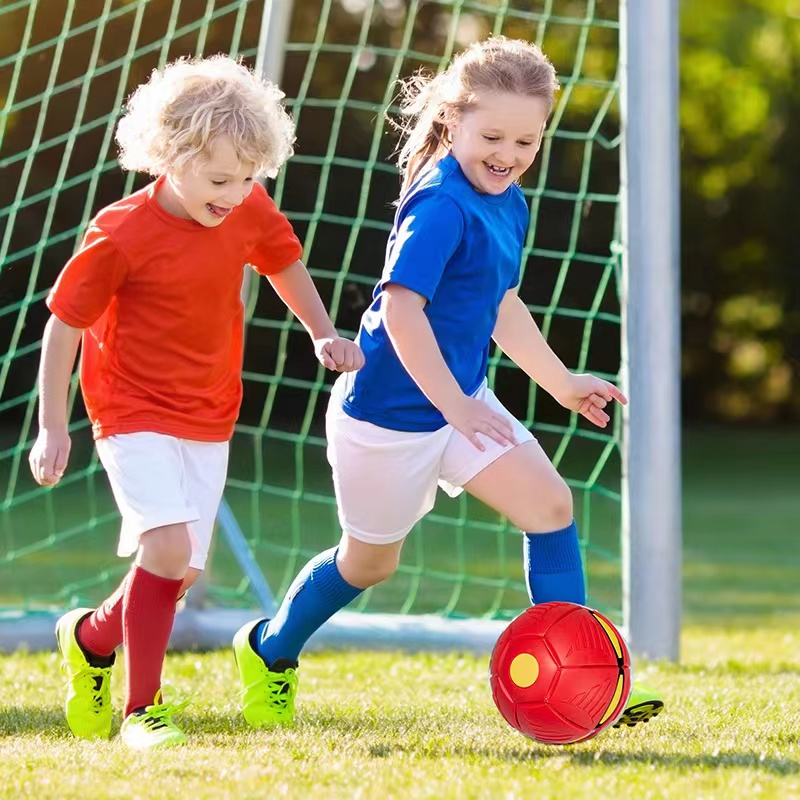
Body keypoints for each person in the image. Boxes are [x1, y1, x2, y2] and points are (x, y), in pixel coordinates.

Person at [232, 37, 663, 730]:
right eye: (491, 135)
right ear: (453, 121)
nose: (508, 153)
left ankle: (585, 687)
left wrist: (558, 383)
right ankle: (269, 649)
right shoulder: (439, 202)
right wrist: (455, 406)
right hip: (388, 420)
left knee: (552, 507)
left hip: (460, 405)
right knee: (369, 564)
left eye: (526, 139)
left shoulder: (509, 200)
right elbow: (402, 312)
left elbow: (501, 303)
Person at [28, 55, 364, 751]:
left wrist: (323, 331)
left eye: (248, 178)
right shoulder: (120, 234)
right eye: (220, 179)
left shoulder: (247, 206)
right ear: (171, 157)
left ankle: (90, 639)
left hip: (210, 412)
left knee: (177, 571)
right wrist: (52, 427)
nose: (237, 193)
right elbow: (63, 325)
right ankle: (141, 713)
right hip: (129, 409)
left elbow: (281, 261)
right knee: (167, 546)